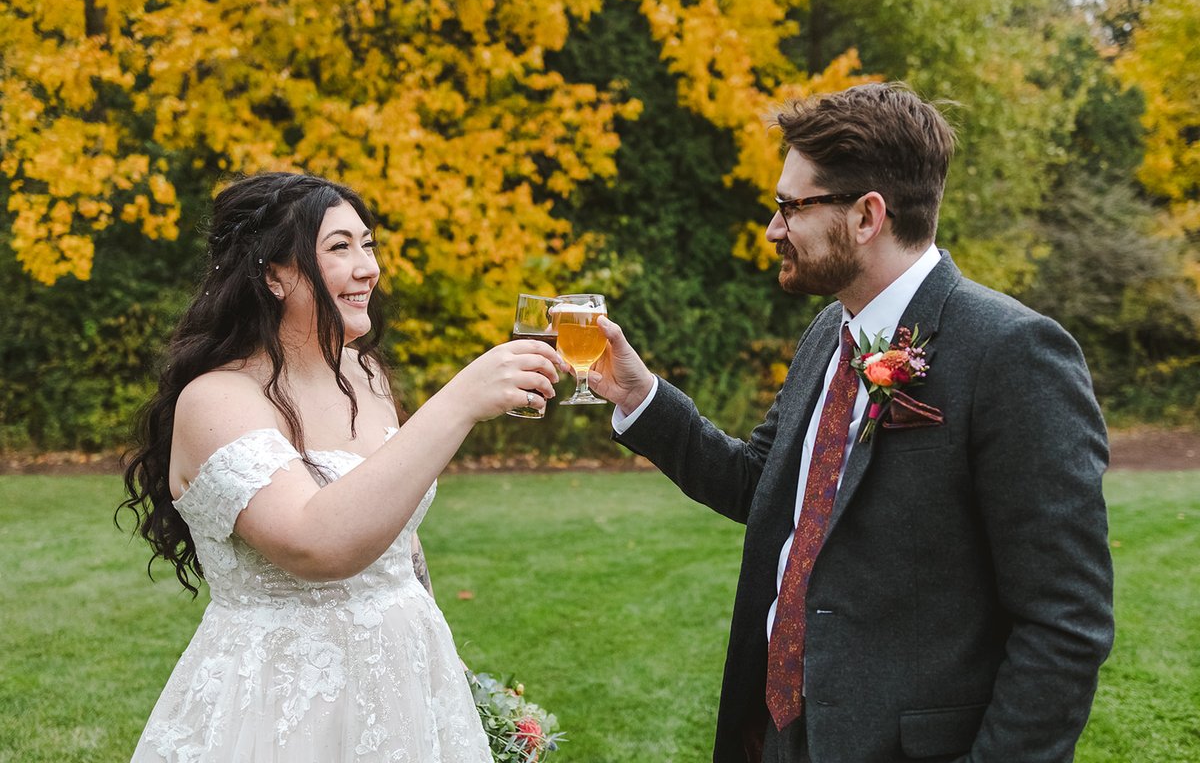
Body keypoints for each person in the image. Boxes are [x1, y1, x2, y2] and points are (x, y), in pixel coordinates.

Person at [589, 83, 1114, 763]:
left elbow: (1065, 622)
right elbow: (763, 486)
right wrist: (643, 398)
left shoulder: (1013, 355)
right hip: (775, 731)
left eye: (790, 207)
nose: (774, 228)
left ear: (867, 216)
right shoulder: (828, 334)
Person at [118, 172, 563, 761]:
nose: (369, 267)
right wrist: (459, 401)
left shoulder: (366, 376)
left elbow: (400, 542)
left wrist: (447, 666)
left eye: (367, 243)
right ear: (274, 275)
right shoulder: (217, 400)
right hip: (282, 702)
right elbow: (316, 545)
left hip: (404, 675)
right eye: (339, 247)